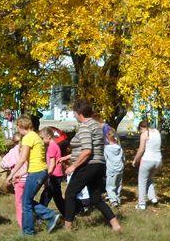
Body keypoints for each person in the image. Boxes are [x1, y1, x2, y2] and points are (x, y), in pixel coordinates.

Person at [63, 99, 121, 232]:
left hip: (88, 165)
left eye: (74, 113)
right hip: (99, 165)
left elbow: (87, 150)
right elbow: (92, 148)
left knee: (70, 193)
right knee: (95, 198)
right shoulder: (97, 125)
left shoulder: (85, 126)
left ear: (79, 113)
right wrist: (67, 157)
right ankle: (116, 225)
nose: (74, 116)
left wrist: (73, 166)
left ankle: (68, 228)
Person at [9, 117, 60, 236]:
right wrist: (20, 174)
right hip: (40, 172)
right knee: (26, 201)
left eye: (17, 126)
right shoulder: (36, 136)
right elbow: (34, 161)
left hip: (36, 173)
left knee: (25, 203)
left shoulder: (28, 137)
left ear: (21, 126)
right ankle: (49, 216)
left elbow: (22, 159)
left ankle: (28, 231)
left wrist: (11, 174)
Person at [132, 119, 162, 210]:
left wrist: (135, 160)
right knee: (149, 179)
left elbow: (141, 150)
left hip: (147, 160)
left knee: (142, 182)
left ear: (141, 128)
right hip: (158, 160)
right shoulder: (157, 132)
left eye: (140, 130)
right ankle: (153, 198)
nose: (140, 131)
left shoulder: (144, 134)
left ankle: (141, 204)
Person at [39, 127, 66, 216]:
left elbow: (52, 163)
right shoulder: (53, 145)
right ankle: (67, 215)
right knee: (56, 198)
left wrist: (47, 175)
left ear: (49, 136)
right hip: (56, 175)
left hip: (54, 175)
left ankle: (41, 215)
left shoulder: (51, 147)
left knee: (46, 196)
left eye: (42, 138)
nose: (41, 141)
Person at [0, 133, 25, 227]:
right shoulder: (27, 149)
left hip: (19, 179)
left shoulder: (13, 151)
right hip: (30, 178)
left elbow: (3, 164)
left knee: (19, 202)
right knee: (27, 201)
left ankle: (21, 223)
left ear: (13, 142)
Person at [103, 129, 125, 206]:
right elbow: (123, 159)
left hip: (111, 170)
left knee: (110, 187)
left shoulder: (106, 149)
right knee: (118, 185)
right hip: (120, 169)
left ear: (106, 138)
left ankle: (113, 200)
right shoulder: (120, 148)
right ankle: (118, 199)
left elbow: (105, 159)